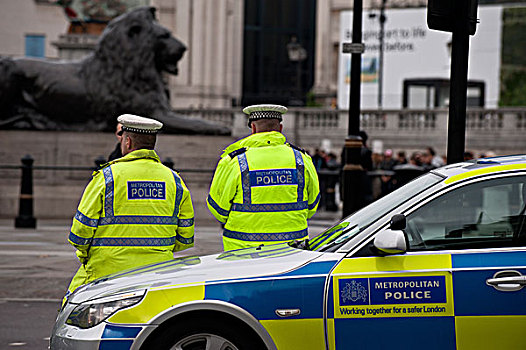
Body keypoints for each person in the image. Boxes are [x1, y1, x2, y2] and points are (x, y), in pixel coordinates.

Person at [65, 114, 195, 300]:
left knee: (72, 306)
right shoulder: (174, 180)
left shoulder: (107, 177)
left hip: (107, 273)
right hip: (158, 274)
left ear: (127, 142)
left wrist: (87, 254)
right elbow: (185, 238)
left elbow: (79, 233)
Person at [207, 104, 320, 251]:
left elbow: (218, 208)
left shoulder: (235, 161)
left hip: (242, 250)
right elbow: (312, 204)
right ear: (280, 128)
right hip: (292, 249)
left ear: (253, 128)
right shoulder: (301, 159)